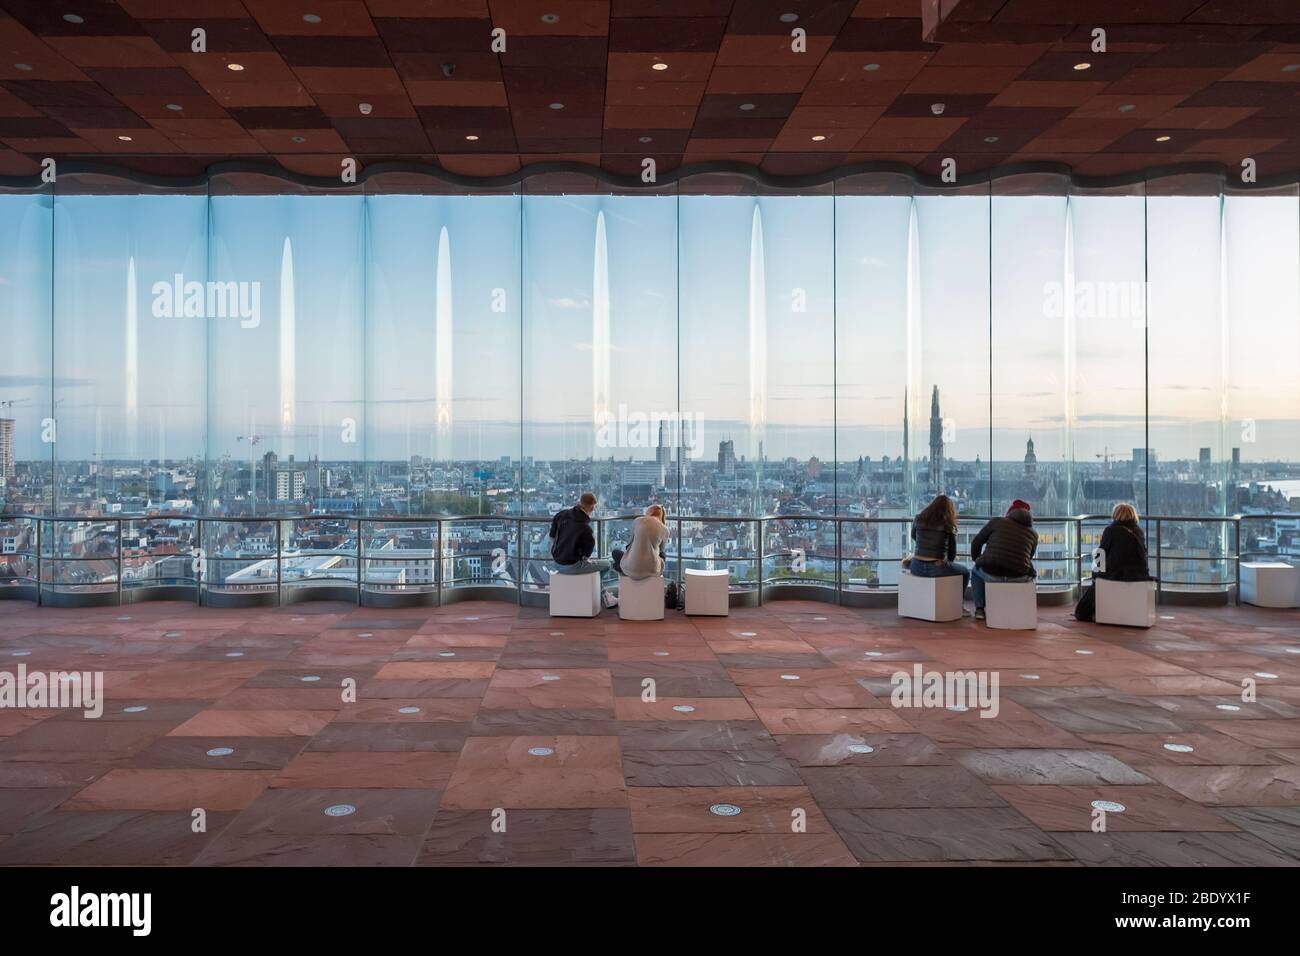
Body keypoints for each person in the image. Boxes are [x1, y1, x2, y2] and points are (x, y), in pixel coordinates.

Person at [1074, 503, 1151, 622]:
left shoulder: (1111, 530)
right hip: (1138, 574)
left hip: (1117, 574)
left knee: (1083, 609)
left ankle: (1092, 611)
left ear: (1116, 515)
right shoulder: (1138, 531)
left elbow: (1101, 552)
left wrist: (1095, 574)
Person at [969, 498, 1038, 620]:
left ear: (1009, 513)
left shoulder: (997, 522)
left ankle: (980, 609)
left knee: (975, 572)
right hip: (1018, 577)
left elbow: (976, 542)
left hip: (991, 572)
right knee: (1030, 577)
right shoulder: (1033, 534)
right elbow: (1029, 557)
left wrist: (977, 560)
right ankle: (1021, 611)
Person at [905, 494, 971, 610]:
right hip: (937, 567)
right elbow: (952, 552)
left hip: (916, 566)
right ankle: (959, 605)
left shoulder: (918, 518)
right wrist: (947, 563)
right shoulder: (948, 525)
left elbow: (914, 536)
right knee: (965, 572)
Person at [548, 492, 610, 576]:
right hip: (572, 565)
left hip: (556, 562)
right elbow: (586, 555)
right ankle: (599, 588)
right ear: (592, 508)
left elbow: (552, 537)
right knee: (607, 565)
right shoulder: (585, 528)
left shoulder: (561, 515)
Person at [612, 504, 670, 580]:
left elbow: (629, 543)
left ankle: (625, 569)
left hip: (632, 568)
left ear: (650, 512)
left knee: (615, 554)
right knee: (663, 554)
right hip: (652, 569)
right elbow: (661, 550)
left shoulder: (637, 520)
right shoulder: (665, 530)